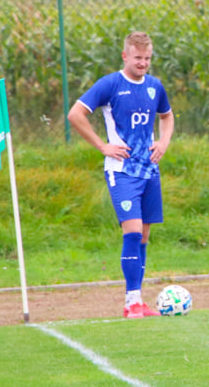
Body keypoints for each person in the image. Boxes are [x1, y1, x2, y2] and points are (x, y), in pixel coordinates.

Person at [68, 31, 174, 319]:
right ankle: (131, 302)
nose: (143, 63)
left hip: (149, 170)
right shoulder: (111, 84)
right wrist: (103, 146)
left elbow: (167, 116)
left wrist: (163, 142)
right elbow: (75, 114)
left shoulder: (155, 86)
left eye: (148, 58)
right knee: (133, 232)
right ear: (125, 56)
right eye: (138, 58)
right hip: (122, 171)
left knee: (144, 237)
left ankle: (138, 299)